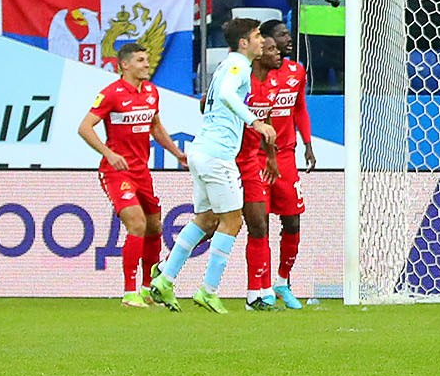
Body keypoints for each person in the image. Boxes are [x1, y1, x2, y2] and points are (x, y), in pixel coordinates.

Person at [145, 16, 275, 313]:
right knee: (232, 221)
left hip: (202, 150)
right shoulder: (238, 65)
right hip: (217, 155)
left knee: (205, 219)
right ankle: (209, 289)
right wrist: (255, 122)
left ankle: (165, 278)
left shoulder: (230, 64)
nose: (262, 41)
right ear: (244, 42)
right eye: (257, 35)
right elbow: (228, 94)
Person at [76, 38, 188, 305]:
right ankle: (129, 292)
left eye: (146, 59)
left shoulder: (151, 92)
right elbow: (85, 127)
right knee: (136, 223)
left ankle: (148, 288)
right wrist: (109, 154)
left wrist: (176, 153)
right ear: (124, 65)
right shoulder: (111, 94)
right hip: (117, 172)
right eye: (140, 60)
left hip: (142, 172)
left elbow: (156, 128)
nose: (146, 64)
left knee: (154, 227)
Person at [239, 18, 317, 309]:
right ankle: (260, 287)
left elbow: (300, 109)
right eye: (281, 36)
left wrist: (307, 143)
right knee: (259, 225)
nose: (288, 40)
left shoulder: (296, 71)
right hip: (255, 158)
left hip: (285, 155)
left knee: (293, 220)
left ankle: (282, 281)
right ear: (266, 43)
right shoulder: (248, 77)